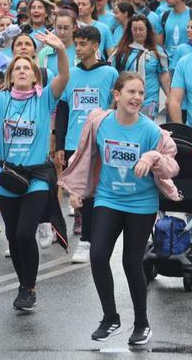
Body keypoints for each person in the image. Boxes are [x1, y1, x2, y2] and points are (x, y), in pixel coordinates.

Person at [0, 1, 70, 312]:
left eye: (28, 68)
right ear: (10, 76)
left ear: (36, 77)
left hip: (37, 176)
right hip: (6, 176)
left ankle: (29, 286)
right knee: (13, 237)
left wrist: (60, 49)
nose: (23, 70)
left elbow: (64, 76)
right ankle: (23, 284)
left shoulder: (44, 98)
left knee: (26, 232)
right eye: (17, 68)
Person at [61, 73, 178, 345]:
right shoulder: (100, 123)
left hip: (141, 203)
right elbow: (84, 156)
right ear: (117, 95)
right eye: (131, 92)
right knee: (98, 254)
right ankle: (110, 317)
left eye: (141, 93)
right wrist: (77, 190)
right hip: (108, 197)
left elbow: (172, 167)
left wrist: (153, 157)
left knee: (131, 261)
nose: (137, 98)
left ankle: (142, 323)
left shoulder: (151, 131)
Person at [54, 25, 119, 263]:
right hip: (74, 140)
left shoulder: (110, 73)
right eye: (77, 44)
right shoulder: (70, 74)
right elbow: (63, 110)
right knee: (78, 192)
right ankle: (86, 234)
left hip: (99, 140)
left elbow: (115, 107)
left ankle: (86, 240)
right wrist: (59, 144)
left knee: (92, 193)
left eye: (83, 44)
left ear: (95, 46)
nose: (79, 48)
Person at [110, 15, 170, 120]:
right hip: (127, 99)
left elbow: (163, 75)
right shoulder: (121, 51)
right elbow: (115, 74)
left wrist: (169, 96)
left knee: (145, 123)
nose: (138, 32)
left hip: (150, 100)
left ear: (148, 31)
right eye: (135, 29)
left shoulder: (157, 52)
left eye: (141, 29)